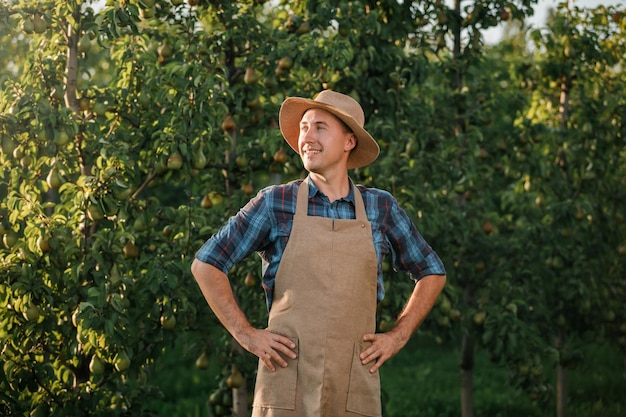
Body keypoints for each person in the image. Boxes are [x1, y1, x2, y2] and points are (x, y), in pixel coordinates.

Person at [191, 90, 446, 417]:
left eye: (320, 127)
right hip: (286, 377)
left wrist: (398, 336)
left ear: (349, 141)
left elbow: (431, 270)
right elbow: (207, 264)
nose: (306, 137)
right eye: (303, 128)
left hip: (353, 381)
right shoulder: (274, 203)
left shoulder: (380, 207)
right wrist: (247, 334)